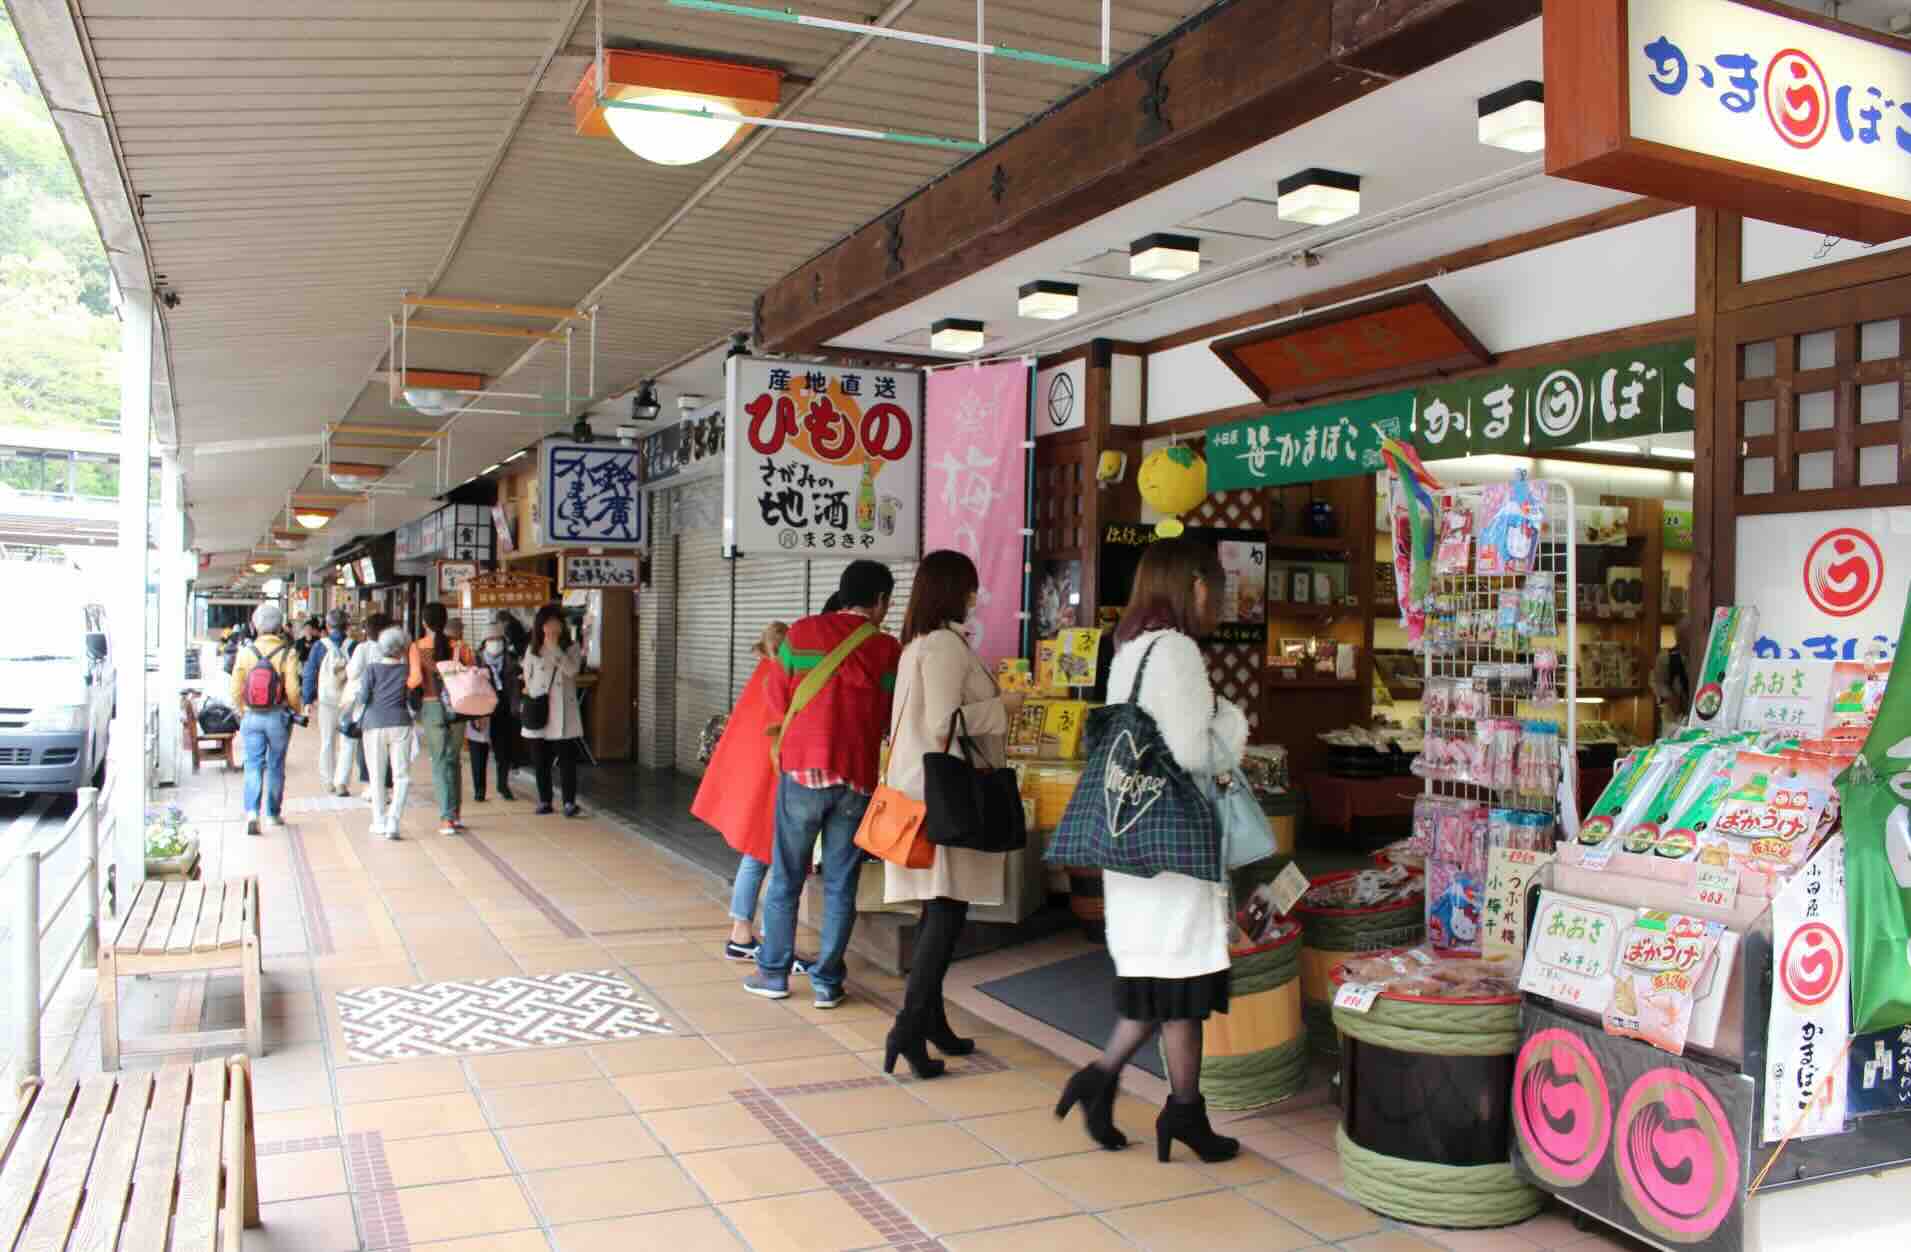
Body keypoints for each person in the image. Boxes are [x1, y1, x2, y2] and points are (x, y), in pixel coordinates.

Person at [1053, 538, 1245, 1164]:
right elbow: (1193, 752)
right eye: (1215, 584)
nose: (1219, 596)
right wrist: (1233, 723)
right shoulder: (1180, 651)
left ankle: (1159, 1101)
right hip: (1172, 848)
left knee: (1165, 982)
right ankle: (1154, 1100)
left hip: (1130, 839)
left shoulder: (1129, 648)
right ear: (1192, 585)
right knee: (1181, 977)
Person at [880, 552, 1024, 1078]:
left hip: (923, 792)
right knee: (945, 912)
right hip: (945, 796)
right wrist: (1005, 706)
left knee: (939, 912)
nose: (974, 597)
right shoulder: (942, 645)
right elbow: (947, 720)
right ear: (951, 590)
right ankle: (908, 1030)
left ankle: (930, 1023)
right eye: (970, 588)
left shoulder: (918, 643)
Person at [745, 562, 901, 1011]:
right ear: (879, 601)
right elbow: (891, 716)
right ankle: (828, 983)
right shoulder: (885, 648)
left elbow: (777, 697)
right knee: (840, 884)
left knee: (786, 878)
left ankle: (773, 974)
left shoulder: (802, 633)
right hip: (855, 778)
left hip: (802, 774)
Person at [228, 601, 303, 836]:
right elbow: (292, 689)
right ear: (280, 626)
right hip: (277, 716)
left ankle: (252, 812)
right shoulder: (288, 653)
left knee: (253, 764)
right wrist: (293, 710)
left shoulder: (245, 652)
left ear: (255, 625)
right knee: (276, 765)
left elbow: (235, 688)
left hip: (252, 715)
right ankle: (272, 813)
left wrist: (243, 709)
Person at [409, 602, 475, 836]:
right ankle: (455, 815)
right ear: (445, 621)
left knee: (439, 761)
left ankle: (446, 818)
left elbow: (415, 680)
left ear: (425, 622)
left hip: (432, 707)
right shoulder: (460, 647)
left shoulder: (417, 647)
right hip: (458, 708)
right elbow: (472, 677)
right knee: (453, 759)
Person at [522, 603, 586, 817]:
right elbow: (528, 678)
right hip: (540, 710)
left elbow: (572, 671)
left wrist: (555, 648)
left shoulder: (572, 647)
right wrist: (534, 694)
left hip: (562, 712)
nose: (551, 626)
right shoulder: (532, 649)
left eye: (555, 621)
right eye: (547, 622)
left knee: (567, 759)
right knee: (540, 759)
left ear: (562, 624)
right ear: (540, 625)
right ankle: (545, 800)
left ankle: (569, 802)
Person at [353, 625, 414, 839]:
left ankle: (379, 821)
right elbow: (413, 699)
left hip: (374, 725)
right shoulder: (407, 670)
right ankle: (394, 821)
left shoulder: (371, 669)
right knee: (401, 775)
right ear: (402, 648)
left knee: (376, 774)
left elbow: (362, 698)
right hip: (401, 724)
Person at [302, 609, 355, 795]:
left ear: (327, 626)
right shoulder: (354, 646)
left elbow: (309, 673)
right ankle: (342, 782)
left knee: (327, 741)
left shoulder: (319, 646)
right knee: (348, 741)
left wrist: (307, 699)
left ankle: (328, 781)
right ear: (347, 626)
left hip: (326, 700)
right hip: (349, 701)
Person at [338, 612, 389, 796]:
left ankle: (351, 783)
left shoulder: (363, 649)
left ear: (367, 630)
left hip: (361, 702)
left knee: (355, 742)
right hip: (384, 703)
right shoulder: (392, 649)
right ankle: (379, 786)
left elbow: (352, 673)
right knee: (380, 745)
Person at [469, 620, 519, 802]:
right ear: (484, 642)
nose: (495, 642)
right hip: (480, 708)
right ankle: (479, 789)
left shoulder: (511, 660)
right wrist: (474, 713)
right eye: (490, 639)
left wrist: (515, 707)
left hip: (504, 708)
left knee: (503, 750)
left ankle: (503, 785)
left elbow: (515, 686)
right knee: (478, 750)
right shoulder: (474, 660)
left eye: (498, 639)